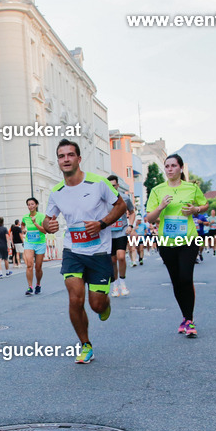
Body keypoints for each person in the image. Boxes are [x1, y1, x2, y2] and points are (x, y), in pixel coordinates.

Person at [43, 139, 126, 364]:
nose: (66, 159)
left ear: (79, 159)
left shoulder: (98, 183)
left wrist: (102, 223)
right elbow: (47, 221)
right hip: (73, 251)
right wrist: (47, 225)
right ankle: (85, 344)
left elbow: (121, 206)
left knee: (96, 304)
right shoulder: (57, 192)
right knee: (74, 299)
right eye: (61, 156)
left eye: (70, 155)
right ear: (58, 162)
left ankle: (105, 304)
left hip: (99, 252)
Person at [145, 153, 208, 338]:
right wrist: (161, 207)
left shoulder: (191, 188)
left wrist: (195, 210)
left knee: (186, 278)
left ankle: (189, 320)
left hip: (188, 239)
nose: (170, 169)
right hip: (166, 241)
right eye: (167, 166)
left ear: (181, 168)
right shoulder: (157, 190)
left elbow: (204, 205)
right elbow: (150, 218)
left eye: (173, 165)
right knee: (176, 281)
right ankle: (185, 316)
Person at [106, 175, 135, 296]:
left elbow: (132, 212)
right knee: (112, 260)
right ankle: (115, 285)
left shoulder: (125, 198)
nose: (112, 188)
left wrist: (130, 226)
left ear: (117, 186)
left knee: (121, 256)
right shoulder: (103, 199)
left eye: (114, 186)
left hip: (122, 230)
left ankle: (123, 283)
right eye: (109, 186)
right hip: (108, 233)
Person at [22, 197, 48, 296]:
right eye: (28, 204)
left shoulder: (41, 216)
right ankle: (30, 287)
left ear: (36, 205)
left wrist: (35, 223)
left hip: (40, 243)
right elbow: (23, 225)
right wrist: (23, 230)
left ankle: (38, 284)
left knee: (38, 266)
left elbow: (44, 231)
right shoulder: (25, 217)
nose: (30, 206)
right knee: (29, 264)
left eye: (32, 204)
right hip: (29, 242)